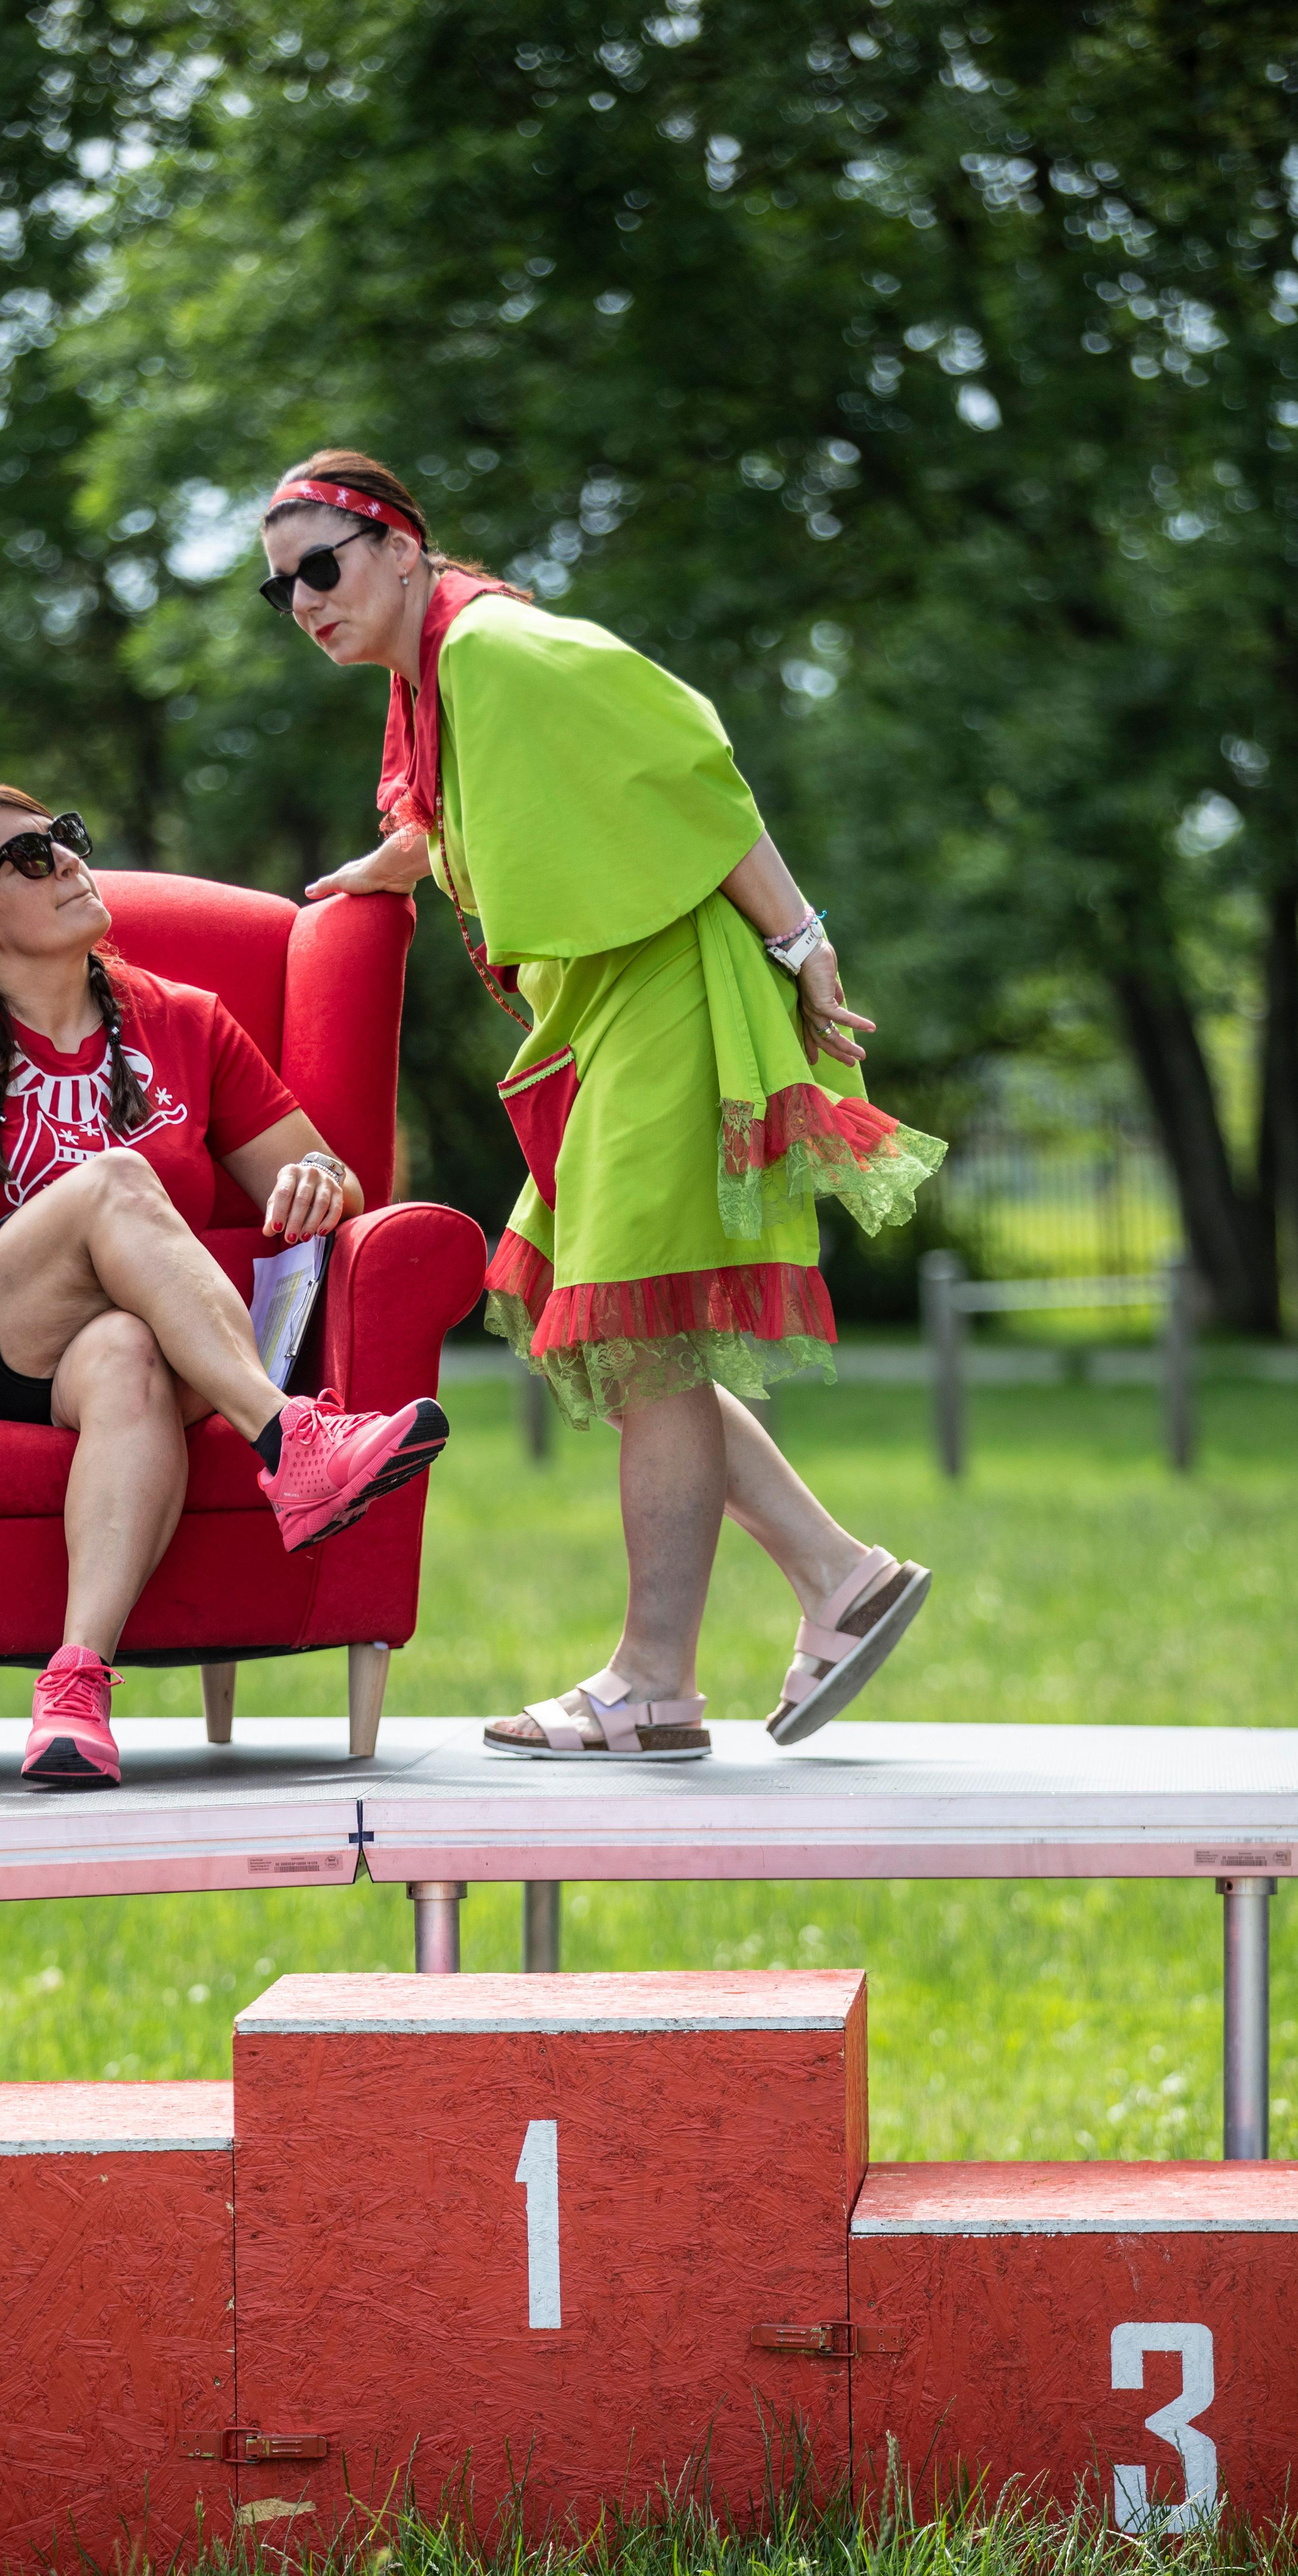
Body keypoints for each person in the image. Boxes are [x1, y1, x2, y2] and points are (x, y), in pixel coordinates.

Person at [260, 453, 944, 1760]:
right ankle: (839, 1579)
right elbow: (512, 811)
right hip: (613, 1013)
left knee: (645, 1336)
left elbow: (687, 761)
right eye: (279, 586)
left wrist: (805, 943)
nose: (303, 600)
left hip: (667, 997)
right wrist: (401, 861)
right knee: (623, 1334)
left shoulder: (498, 649)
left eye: (323, 567)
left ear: (401, 550)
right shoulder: (437, 684)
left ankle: (652, 1686)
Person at [0, 782, 448, 1787]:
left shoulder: (186, 1023)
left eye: (66, 839)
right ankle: (291, 1441)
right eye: (31, 858)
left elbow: (336, 1179)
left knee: (127, 1351)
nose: (72, 861)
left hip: (128, 1356)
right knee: (118, 1180)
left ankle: (75, 1687)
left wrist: (317, 1180)